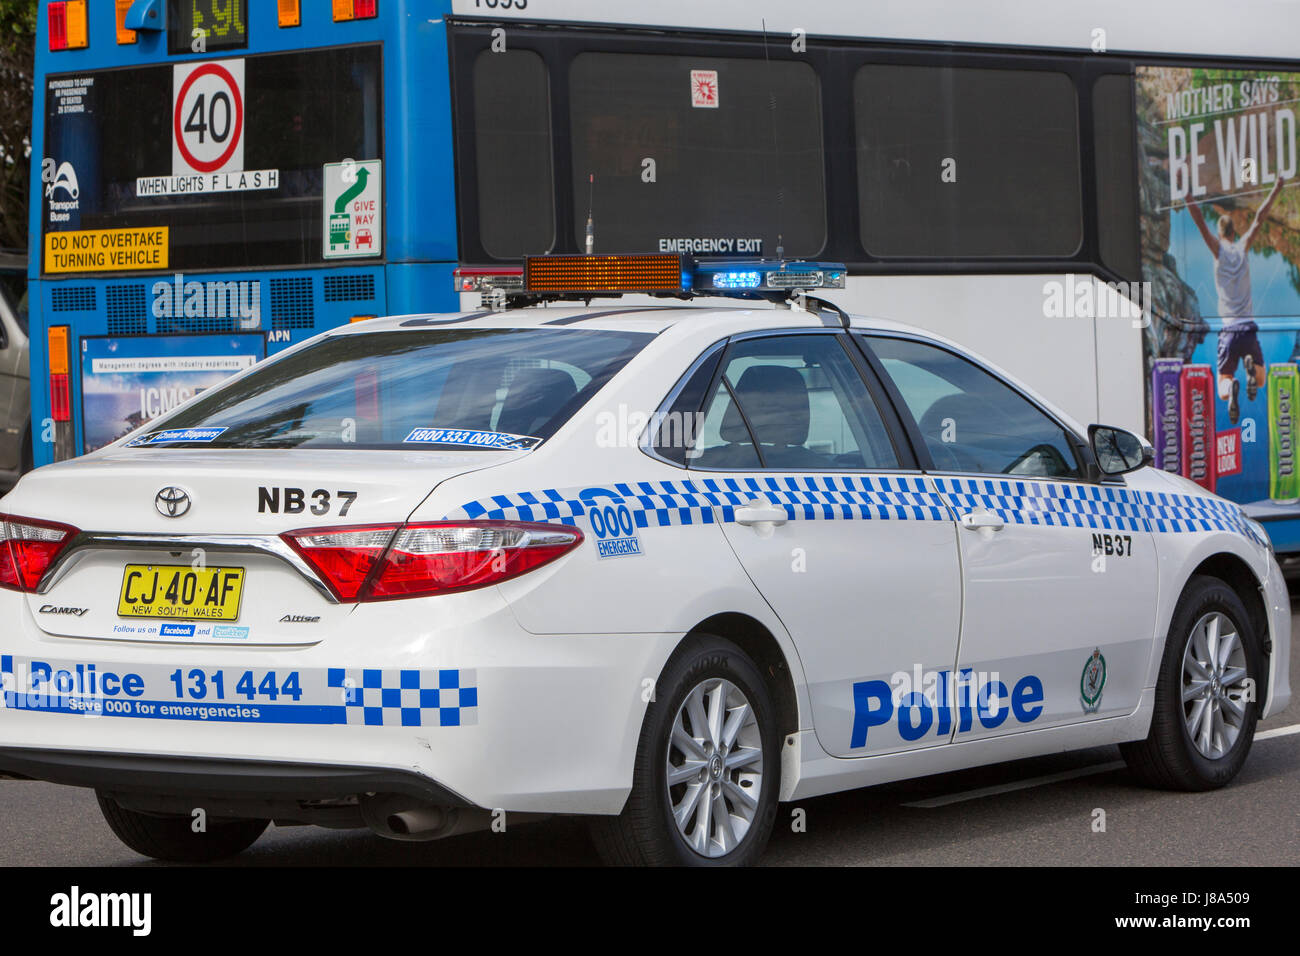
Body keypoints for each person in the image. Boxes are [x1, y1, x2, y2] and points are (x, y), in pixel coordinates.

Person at [1187, 175, 1285, 424]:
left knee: (1223, 384)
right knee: (1261, 380)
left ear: (1220, 234)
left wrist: (1187, 194)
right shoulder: (1243, 247)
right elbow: (1260, 217)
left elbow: (1199, 220)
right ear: (1234, 231)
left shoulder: (1217, 250)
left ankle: (1231, 389)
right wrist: (1276, 188)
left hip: (1228, 331)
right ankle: (1251, 369)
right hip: (1248, 330)